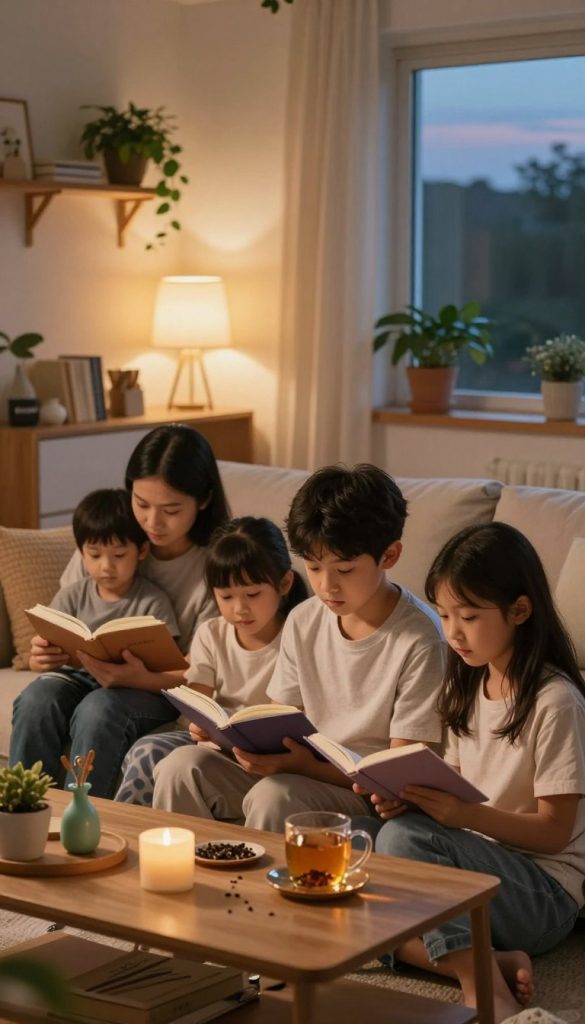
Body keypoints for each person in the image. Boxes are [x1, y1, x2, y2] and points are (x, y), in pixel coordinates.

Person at [364, 522, 585, 1024]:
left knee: (401, 844)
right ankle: (490, 960)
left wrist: (464, 814)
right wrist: (414, 797)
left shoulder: (555, 702)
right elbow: (458, 793)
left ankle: (484, 991)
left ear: (520, 611)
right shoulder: (467, 686)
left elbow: (555, 832)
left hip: (541, 896)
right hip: (476, 878)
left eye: (468, 616)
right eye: (443, 615)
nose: (452, 633)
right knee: (358, 868)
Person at [154, 463, 445, 831]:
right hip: (297, 771)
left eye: (345, 570)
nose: (327, 587)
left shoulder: (421, 638)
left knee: (274, 795)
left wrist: (302, 766)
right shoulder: (304, 618)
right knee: (180, 767)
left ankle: (250, 890)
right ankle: (187, 883)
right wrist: (227, 736)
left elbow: (398, 776)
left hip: (360, 793)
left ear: (389, 556)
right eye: (314, 567)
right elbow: (281, 721)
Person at [11, 424, 230, 798]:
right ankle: (19, 811)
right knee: (36, 699)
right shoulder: (110, 539)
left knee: (100, 708)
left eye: (171, 510)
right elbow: (65, 620)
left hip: (158, 691)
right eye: (141, 504)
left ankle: (81, 822)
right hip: (83, 675)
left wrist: (137, 677)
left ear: (204, 500)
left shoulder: (217, 568)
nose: (152, 523)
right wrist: (42, 653)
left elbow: (199, 673)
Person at [116, 516, 308, 809]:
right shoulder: (212, 633)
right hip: (209, 743)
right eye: (226, 596)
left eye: (253, 594)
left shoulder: (298, 638)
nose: (239, 609)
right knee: (147, 750)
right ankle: (129, 832)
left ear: (284, 583)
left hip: (264, 753)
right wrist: (199, 725)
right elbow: (198, 701)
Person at [10, 489, 181, 798]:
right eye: (95, 555)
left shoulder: (152, 601)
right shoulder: (72, 595)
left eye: (119, 555)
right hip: (77, 677)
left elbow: (167, 664)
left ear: (141, 551)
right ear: (81, 552)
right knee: (37, 698)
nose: (106, 566)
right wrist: (41, 660)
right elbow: (41, 658)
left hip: (132, 689)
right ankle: (22, 803)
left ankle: (81, 811)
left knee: (97, 709)